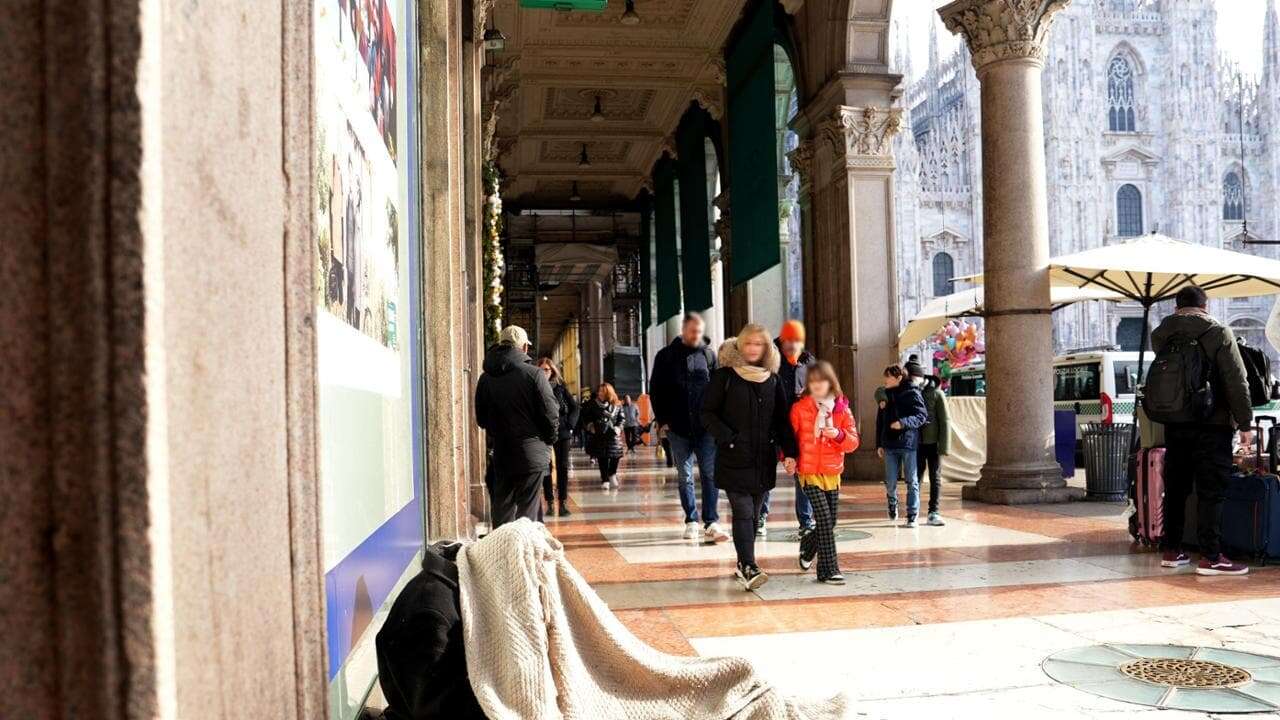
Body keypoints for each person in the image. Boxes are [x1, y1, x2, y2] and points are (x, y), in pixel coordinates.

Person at [1154, 285, 1254, 576]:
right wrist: (1245, 422)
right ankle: (1211, 556)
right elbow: (1236, 380)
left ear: (1176, 307)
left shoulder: (1161, 333)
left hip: (1175, 422)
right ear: (1205, 306)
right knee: (1212, 490)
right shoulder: (1218, 332)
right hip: (1213, 423)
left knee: (1176, 487)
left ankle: (1172, 549)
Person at [701, 324, 800, 590]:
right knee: (743, 512)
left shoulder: (773, 380)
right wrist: (728, 437)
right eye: (748, 343)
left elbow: (782, 421)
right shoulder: (724, 377)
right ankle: (749, 565)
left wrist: (790, 453)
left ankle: (743, 561)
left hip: (763, 459)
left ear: (767, 348)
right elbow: (707, 413)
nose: (753, 349)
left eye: (759, 344)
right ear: (740, 346)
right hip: (734, 457)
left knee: (754, 516)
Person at [650, 313, 730, 542]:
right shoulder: (665, 356)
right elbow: (656, 389)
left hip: (705, 428)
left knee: (709, 473)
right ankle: (691, 520)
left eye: (699, 331)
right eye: (692, 331)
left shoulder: (709, 356)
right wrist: (663, 420)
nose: (696, 335)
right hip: (678, 426)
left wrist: (718, 421)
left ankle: (711, 520)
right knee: (684, 474)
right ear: (684, 330)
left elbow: (718, 390)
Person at [474, 326, 558, 527]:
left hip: (502, 453)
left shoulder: (485, 378)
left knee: (502, 510)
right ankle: (522, 556)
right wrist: (549, 439)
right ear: (524, 348)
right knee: (527, 514)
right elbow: (551, 414)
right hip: (532, 452)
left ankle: (501, 553)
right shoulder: (534, 375)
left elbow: (482, 420)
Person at [791, 361, 860, 585]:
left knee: (829, 522)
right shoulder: (800, 408)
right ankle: (829, 570)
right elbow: (788, 439)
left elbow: (853, 443)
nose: (818, 385)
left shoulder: (842, 409)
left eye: (822, 380)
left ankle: (807, 548)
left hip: (832, 472)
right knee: (823, 517)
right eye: (813, 381)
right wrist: (787, 458)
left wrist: (838, 434)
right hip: (808, 471)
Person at [758, 319, 818, 538]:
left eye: (797, 341)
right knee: (766, 470)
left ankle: (805, 520)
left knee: (802, 472)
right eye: (789, 341)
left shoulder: (809, 361)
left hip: (801, 426)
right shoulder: (770, 358)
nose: (793, 345)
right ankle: (761, 515)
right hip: (774, 424)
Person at [875, 364, 928, 528]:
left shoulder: (912, 392)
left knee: (911, 481)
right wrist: (879, 443)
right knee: (890, 482)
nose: (885, 380)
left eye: (888, 377)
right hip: (889, 445)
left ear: (898, 378)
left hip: (908, 443)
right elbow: (880, 422)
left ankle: (912, 515)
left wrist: (903, 423)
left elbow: (922, 415)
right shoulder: (885, 395)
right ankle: (892, 501)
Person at [909, 362, 950, 527]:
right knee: (915, 478)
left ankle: (934, 511)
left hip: (934, 443)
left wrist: (944, 446)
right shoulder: (911, 392)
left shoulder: (937, 394)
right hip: (916, 443)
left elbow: (945, 420)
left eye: (914, 377)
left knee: (935, 478)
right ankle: (914, 511)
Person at [538, 357, 579, 517]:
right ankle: (549, 502)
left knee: (562, 467)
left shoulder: (561, 388)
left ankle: (562, 503)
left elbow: (575, 408)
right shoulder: (535, 388)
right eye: (541, 370)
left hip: (562, 432)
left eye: (547, 369)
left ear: (552, 371)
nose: (544, 372)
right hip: (544, 433)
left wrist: (570, 425)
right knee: (546, 468)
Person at [583, 382, 626, 489]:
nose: (600, 393)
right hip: (599, 434)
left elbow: (622, 419)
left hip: (613, 435)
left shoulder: (617, 404)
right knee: (602, 458)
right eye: (599, 391)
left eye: (602, 391)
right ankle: (605, 479)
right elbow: (585, 417)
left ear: (608, 392)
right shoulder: (593, 404)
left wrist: (618, 427)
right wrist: (590, 426)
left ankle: (612, 474)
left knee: (615, 456)